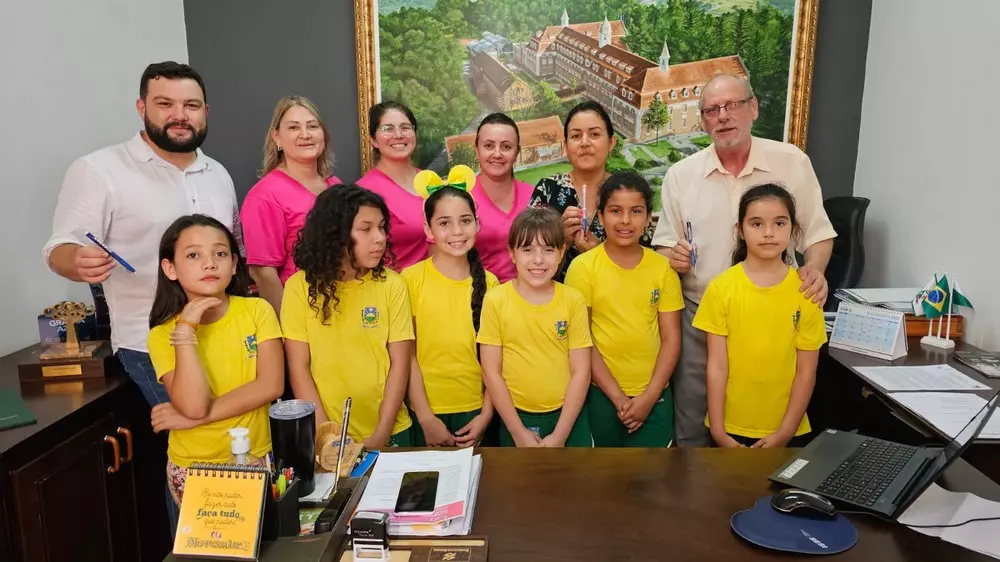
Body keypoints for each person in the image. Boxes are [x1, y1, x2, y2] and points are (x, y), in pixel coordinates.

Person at [652, 74, 837, 447]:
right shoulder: (681, 175)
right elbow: (662, 248)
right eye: (711, 110)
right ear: (702, 121)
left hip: (772, 322)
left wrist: (814, 269)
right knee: (694, 426)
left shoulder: (790, 162)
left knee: (768, 425)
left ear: (753, 108)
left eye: (732, 105)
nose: (723, 116)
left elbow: (817, 234)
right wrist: (673, 257)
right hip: (700, 316)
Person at [43, 61, 241, 409]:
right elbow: (59, 247)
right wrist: (77, 260)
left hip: (224, 331)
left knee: (244, 436)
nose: (179, 115)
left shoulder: (217, 174)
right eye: (165, 104)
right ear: (142, 107)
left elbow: (235, 248)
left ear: (205, 112)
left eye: (191, 106)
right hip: (149, 341)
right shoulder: (99, 170)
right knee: (199, 435)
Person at [146, 215, 283, 505]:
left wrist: (192, 418)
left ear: (234, 265)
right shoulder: (162, 334)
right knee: (210, 550)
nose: (209, 263)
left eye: (220, 254)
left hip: (254, 457)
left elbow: (270, 386)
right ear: (170, 268)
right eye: (193, 255)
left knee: (265, 545)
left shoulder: (257, 311)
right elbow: (194, 404)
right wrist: (185, 331)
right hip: (193, 466)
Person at [692, 184, 827, 448]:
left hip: (787, 430)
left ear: (793, 229)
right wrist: (719, 432)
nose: (768, 233)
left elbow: (806, 373)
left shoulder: (806, 292)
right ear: (739, 230)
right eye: (756, 224)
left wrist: (783, 435)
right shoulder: (721, 288)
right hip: (729, 428)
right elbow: (717, 366)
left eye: (779, 223)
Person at [281, 185, 413, 448]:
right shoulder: (299, 288)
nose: (379, 238)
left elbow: (400, 363)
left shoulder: (392, 285)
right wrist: (326, 433)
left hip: (391, 429)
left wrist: (382, 433)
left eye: (382, 227)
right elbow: (299, 368)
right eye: (365, 229)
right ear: (335, 235)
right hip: (328, 437)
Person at [565, 172, 683, 447]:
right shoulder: (583, 269)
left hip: (655, 398)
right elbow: (583, 342)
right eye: (616, 211)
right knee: (603, 481)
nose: (626, 221)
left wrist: (650, 396)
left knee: (651, 482)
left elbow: (671, 339)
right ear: (602, 215)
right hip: (600, 395)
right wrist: (618, 397)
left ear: (648, 216)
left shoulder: (663, 269)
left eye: (636, 211)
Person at [478, 206, 593, 447]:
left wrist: (560, 435)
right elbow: (491, 371)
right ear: (512, 253)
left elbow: (581, 371)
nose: (538, 260)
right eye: (527, 249)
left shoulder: (573, 300)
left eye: (548, 249)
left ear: (562, 252)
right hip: (515, 417)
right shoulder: (496, 300)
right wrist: (517, 432)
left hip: (568, 418)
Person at [402, 172, 499, 447]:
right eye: (444, 223)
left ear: (477, 224)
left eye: (465, 221)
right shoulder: (410, 281)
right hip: (425, 411)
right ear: (428, 230)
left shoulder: (490, 284)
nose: (457, 232)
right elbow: (406, 357)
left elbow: (497, 359)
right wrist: (426, 418)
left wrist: (486, 414)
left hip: (475, 411)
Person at [529, 101, 654, 281]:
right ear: (566, 146)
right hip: (556, 303)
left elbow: (647, 266)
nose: (585, 143)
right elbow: (527, 264)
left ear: (611, 142)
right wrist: (560, 241)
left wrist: (600, 254)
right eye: (576, 136)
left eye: (594, 134)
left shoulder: (629, 191)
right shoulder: (548, 189)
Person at [241, 95, 342, 316]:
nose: (305, 134)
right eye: (294, 127)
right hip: (301, 316)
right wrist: (289, 328)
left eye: (312, 126)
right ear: (277, 138)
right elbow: (263, 272)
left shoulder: (336, 186)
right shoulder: (264, 195)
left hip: (345, 310)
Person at [357, 101, 427, 271]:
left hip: (436, 290)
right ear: (373, 140)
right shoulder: (364, 192)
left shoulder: (430, 181)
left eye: (405, 127)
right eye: (388, 129)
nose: (398, 135)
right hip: (393, 291)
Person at [470, 113, 533, 282]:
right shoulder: (461, 198)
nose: (497, 154)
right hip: (476, 298)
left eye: (506, 147)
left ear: (517, 152)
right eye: (489, 146)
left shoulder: (534, 197)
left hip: (527, 297)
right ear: (477, 149)